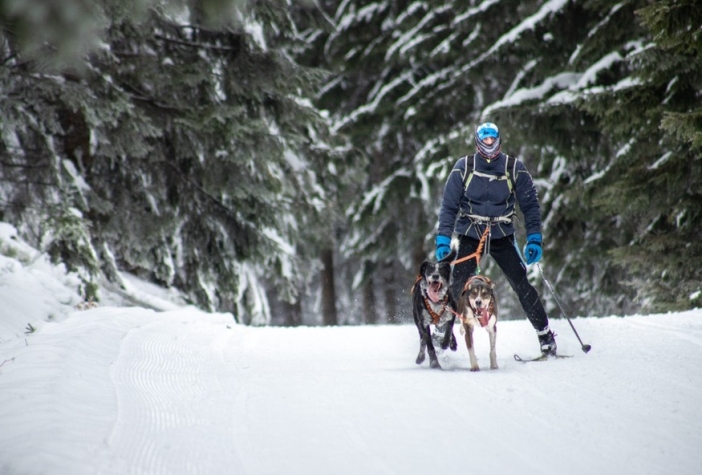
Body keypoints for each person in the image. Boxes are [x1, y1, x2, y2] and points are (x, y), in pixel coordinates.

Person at [435, 122, 557, 356]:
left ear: (499, 140)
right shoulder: (464, 167)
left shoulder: (514, 168)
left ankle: (545, 337)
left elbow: (530, 206)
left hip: (502, 235)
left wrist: (534, 238)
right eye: (485, 140)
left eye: (493, 140)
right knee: (457, 284)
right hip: (471, 234)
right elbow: (448, 206)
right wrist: (443, 239)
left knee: (521, 284)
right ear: (478, 141)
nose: (490, 145)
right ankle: (442, 332)